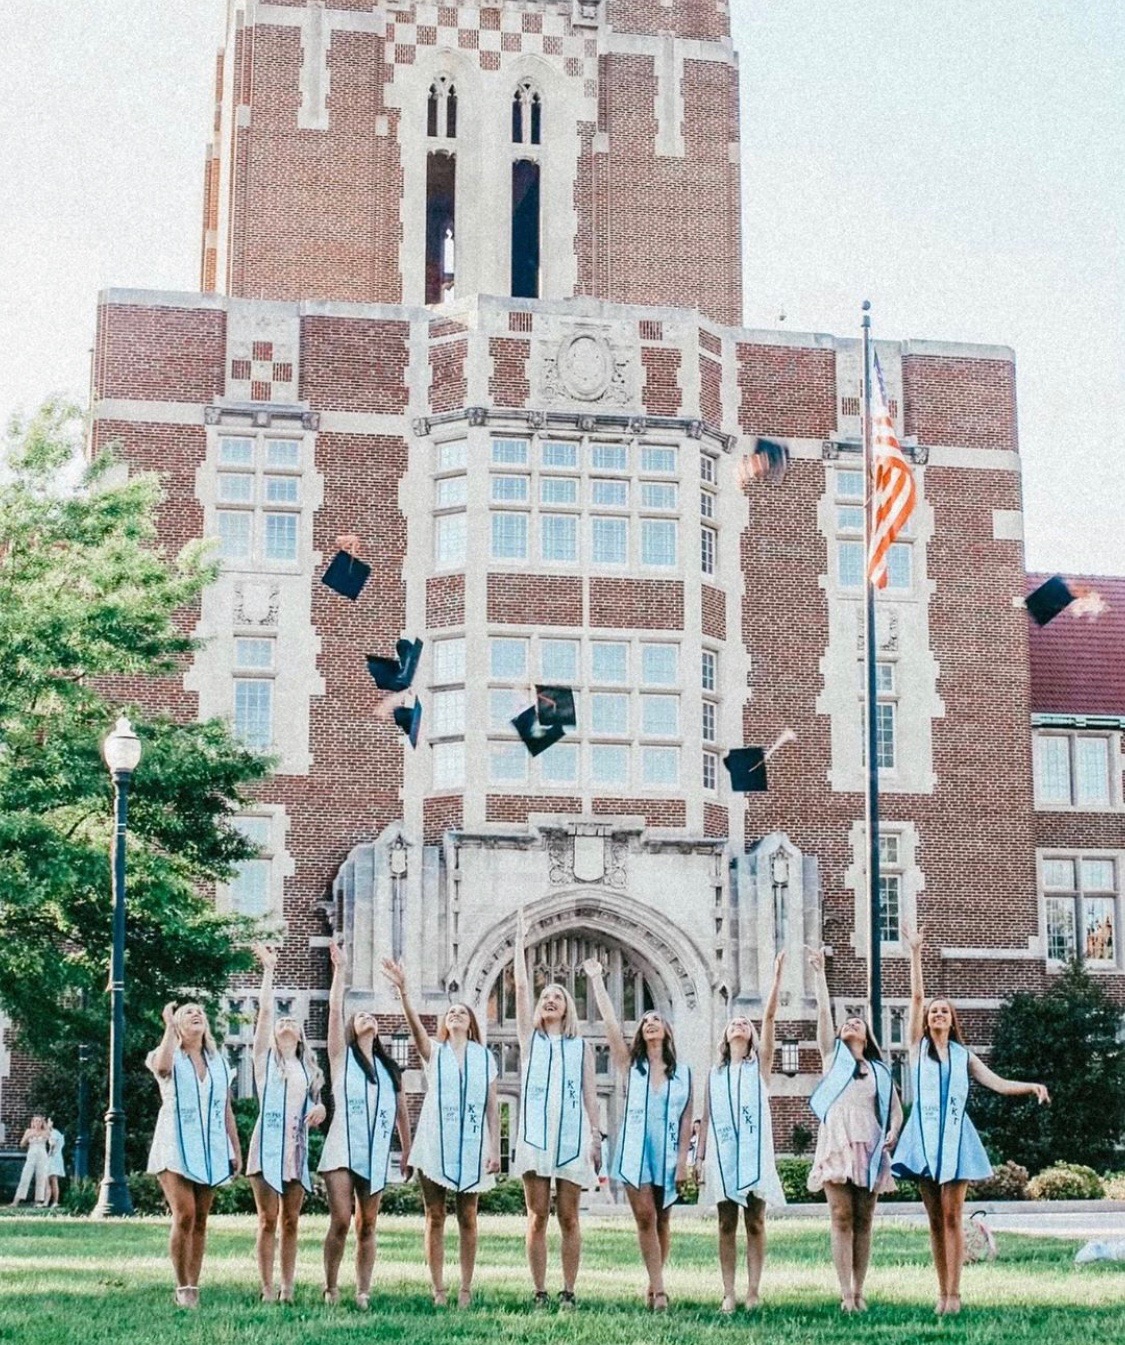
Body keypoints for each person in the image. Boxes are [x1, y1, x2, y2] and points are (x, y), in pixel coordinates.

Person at [892, 926, 1050, 1315]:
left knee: (952, 1215)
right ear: (927, 1021)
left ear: (952, 1019)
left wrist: (1030, 1086)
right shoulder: (917, 1050)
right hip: (923, 1137)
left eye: (944, 1011)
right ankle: (940, 1293)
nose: (937, 1015)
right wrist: (916, 954)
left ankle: (955, 1294)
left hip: (955, 1138)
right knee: (933, 1219)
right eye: (933, 1012)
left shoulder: (964, 1056)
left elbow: (996, 1083)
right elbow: (915, 997)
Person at [381, 957, 501, 1307]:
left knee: (468, 1216)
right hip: (435, 1141)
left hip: (473, 1143)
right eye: (451, 1014)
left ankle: (465, 1287)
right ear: (445, 1026)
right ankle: (438, 1289)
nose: (456, 1015)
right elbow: (416, 1029)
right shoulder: (435, 1053)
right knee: (435, 1215)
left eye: (462, 1013)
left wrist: (494, 1147)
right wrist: (404, 991)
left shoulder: (484, 1057)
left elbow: (492, 1107)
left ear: (471, 1022)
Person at [583, 958, 693, 1313]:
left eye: (656, 1020)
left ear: (667, 1032)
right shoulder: (632, 1066)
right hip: (635, 1151)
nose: (650, 1024)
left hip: (666, 1153)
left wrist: (682, 1162)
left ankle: (653, 1281)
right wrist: (598, 980)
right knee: (645, 1217)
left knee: (663, 1219)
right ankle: (660, 1292)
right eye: (645, 1022)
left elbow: (688, 1120)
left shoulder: (683, 1075)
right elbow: (612, 1026)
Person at [511, 908, 602, 1309]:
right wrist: (518, 943)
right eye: (545, 997)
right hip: (534, 1137)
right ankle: (539, 1290)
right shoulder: (530, 1042)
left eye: (557, 998)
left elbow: (588, 1092)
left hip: (571, 1137)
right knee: (537, 1216)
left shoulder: (578, 1047)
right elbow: (517, 988)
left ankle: (568, 1290)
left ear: (567, 1009)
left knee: (568, 1217)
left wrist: (595, 1136)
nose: (549, 1000)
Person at [805, 946, 902, 1313]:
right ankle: (845, 1292)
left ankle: (860, 1290)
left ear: (867, 1035)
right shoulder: (833, 1061)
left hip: (870, 1145)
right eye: (847, 1023)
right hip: (837, 1143)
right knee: (840, 1216)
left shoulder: (879, 1070)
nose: (850, 1024)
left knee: (865, 1218)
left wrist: (893, 1131)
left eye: (856, 1022)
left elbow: (894, 1110)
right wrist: (820, 974)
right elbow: (824, 1023)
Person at [319, 941, 412, 1309]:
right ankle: (330, 1286)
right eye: (360, 1017)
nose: (367, 1018)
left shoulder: (390, 1071)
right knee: (342, 1220)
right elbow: (335, 1008)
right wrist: (340, 971)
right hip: (343, 1147)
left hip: (375, 1153)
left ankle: (362, 1291)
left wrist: (406, 1150)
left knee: (368, 1225)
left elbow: (402, 1112)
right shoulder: (341, 1059)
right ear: (351, 1029)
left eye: (371, 1016)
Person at [695, 952, 788, 1313]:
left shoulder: (759, 1068)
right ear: (725, 1034)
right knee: (725, 1222)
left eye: (744, 1024)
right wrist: (699, 1159)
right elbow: (705, 1117)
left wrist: (777, 977)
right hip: (722, 1155)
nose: (739, 1025)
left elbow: (769, 1017)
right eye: (733, 1022)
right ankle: (728, 1292)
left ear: (750, 1036)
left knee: (755, 1221)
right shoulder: (714, 1074)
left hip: (755, 1153)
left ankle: (753, 1291)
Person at [146, 1001, 243, 1308]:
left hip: (211, 1146)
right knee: (184, 1213)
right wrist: (167, 1029)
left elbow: (225, 1108)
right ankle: (181, 1284)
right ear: (178, 1024)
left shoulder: (218, 1063)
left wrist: (235, 1148)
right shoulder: (169, 1055)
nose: (196, 1014)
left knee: (201, 1218)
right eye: (188, 1012)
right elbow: (162, 1068)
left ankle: (193, 1283)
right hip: (174, 1142)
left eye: (200, 1011)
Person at [245, 944, 327, 1303]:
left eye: (292, 1021)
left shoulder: (309, 1069)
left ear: (301, 1034)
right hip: (267, 1144)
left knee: (291, 1221)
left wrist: (321, 1109)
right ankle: (265, 1287)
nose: (285, 1023)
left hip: (296, 1147)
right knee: (267, 1219)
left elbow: (315, 1104)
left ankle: (288, 1287)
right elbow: (264, 1012)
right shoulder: (265, 1062)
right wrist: (268, 971)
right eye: (282, 1022)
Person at [11, 1115, 50, 1207]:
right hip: (31, 1155)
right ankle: (16, 1201)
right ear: (32, 1122)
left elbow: (49, 1136)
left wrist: (47, 1125)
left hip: (42, 1156)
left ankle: (38, 1201)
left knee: (41, 1177)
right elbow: (22, 1144)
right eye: (36, 1121)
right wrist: (28, 1136)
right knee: (25, 1177)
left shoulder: (44, 1132)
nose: (37, 1123)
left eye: (39, 1121)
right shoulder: (28, 1131)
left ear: (42, 1123)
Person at [46, 1120, 66, 1207]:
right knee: (52, 1180)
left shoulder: (54, 1133)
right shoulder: (58, 1133)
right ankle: (52, 1201)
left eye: (48, 1122)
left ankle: (55, 1201)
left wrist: (49, 1154)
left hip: (53, 1158)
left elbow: (52, 1145)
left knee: (53, 1180)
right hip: (57, 1157)